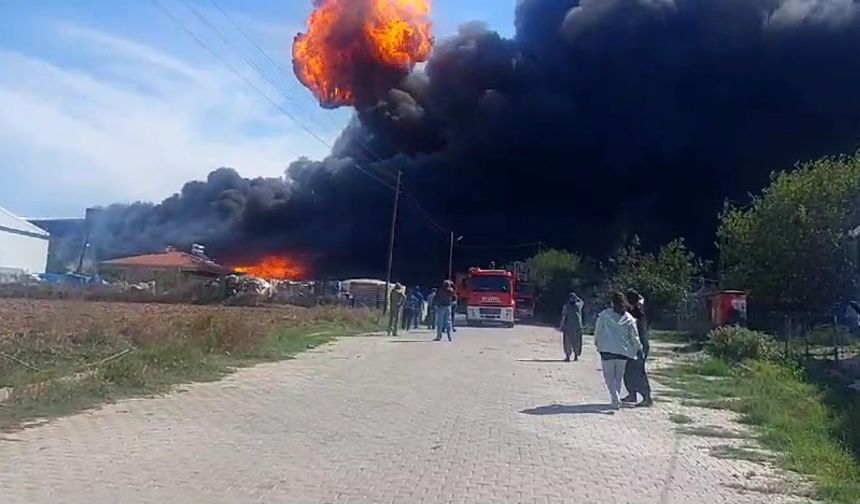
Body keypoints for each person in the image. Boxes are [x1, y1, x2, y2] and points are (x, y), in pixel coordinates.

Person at [594, 291, 643, 409]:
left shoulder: (604, 315)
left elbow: (598, 331)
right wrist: (638, 347)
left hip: (606, 349)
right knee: (618, 377)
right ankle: (616, 398)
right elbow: (634, 336)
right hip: (623, 350)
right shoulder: (629, 318)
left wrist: (597, 344)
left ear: (612, 303)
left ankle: (614, 397)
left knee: (609, 377)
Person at [622, 290, 653, 407]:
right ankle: (632, 394)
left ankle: (647, 398)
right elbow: (641, 297)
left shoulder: (637, 313)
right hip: (634, 345)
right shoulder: (633, 309)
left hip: (640, 345)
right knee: (629, 371)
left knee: (638, 372)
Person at [559, 292, 585, 362]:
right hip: (577, 327)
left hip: (569, 327)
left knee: (568, 342)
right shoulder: (578, 305)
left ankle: (568, 356)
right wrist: (577, 298)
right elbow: (582, 301)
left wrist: (561, 326)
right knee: (576, 342)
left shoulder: (566, 306)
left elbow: (563, 317)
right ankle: (575, 356)